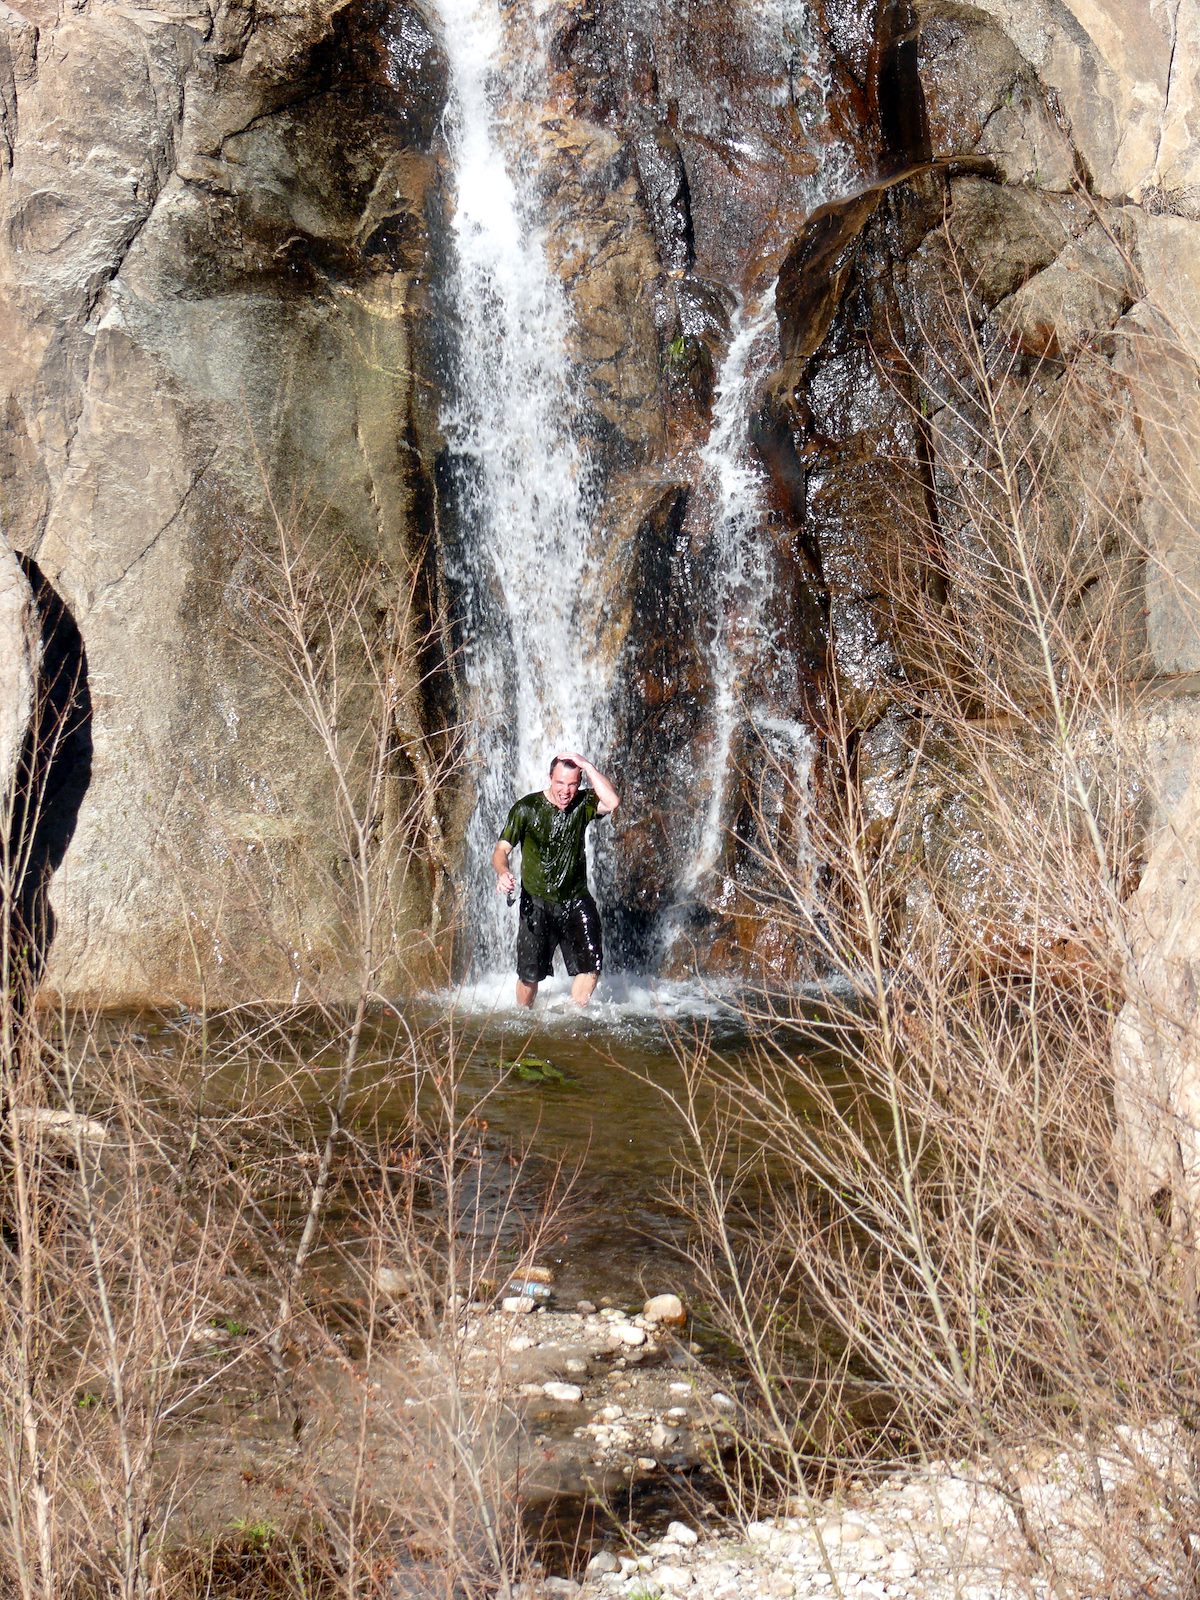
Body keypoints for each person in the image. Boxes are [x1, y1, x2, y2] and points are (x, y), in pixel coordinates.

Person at [492, 752, 620, 1008]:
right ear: (550, 778)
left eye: (572, 784)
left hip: (575, 899)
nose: (565, 791)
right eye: (560, 783)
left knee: (591, 965)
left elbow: (613, 801)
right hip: (536, 902)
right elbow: (501, 851)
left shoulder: (583, 804)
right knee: (529, 976)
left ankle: (574, 1016)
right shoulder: (526, 808)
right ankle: (524, 1017)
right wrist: (503, 872)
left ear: (579, 782)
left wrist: (588, 765)